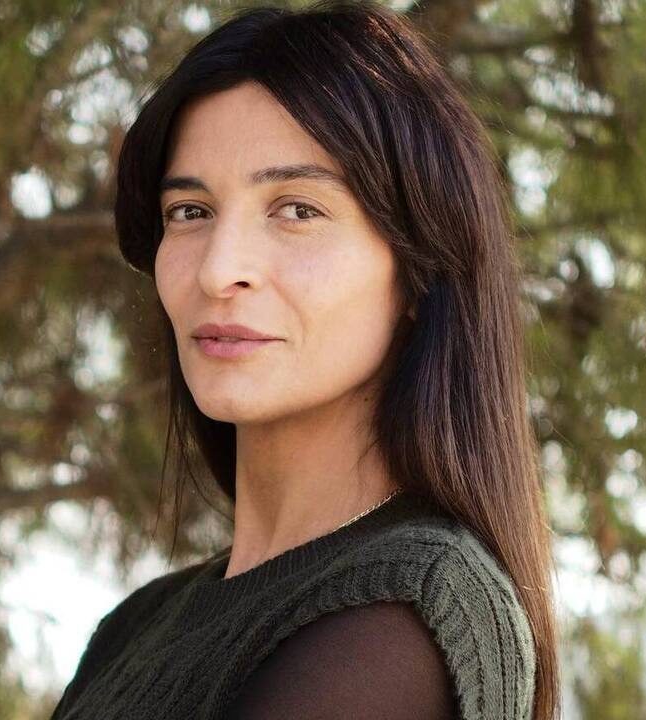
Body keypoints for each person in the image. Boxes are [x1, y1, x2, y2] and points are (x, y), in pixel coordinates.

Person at [49, 1, 559, 718]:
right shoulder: (134, 630)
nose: (218, 270)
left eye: (297, 210)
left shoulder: (403, 616)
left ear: (418, 272)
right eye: (190, 211)